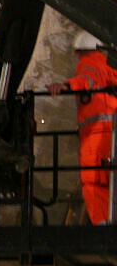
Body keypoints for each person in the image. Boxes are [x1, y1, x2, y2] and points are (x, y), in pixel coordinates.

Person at [47, 31, 117, 225]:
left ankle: (105, 231)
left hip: (96, 136)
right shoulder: (110, 68)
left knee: (92, 181)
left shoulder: (89, 62)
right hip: (113, 135)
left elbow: (87, 79)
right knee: (112, 180)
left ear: (81, 51)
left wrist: (66, 86)